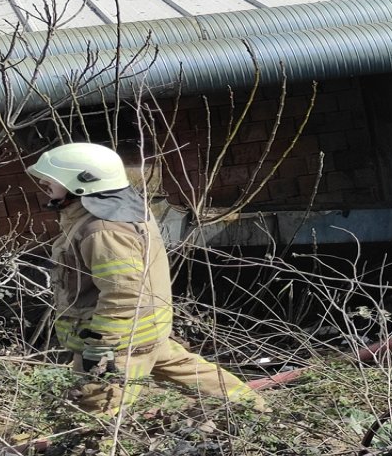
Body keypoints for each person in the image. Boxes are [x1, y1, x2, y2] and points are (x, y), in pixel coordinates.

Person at [27, 142, 267, 415]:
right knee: (194, 374)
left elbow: (122, 293)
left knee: (96, 414)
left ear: (82, 183)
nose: (44, 183)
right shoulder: (120, 209)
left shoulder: (102, 230)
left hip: (118, 344)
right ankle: (253, 408)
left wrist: (102, 346)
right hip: (146, 330)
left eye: (52, 180)